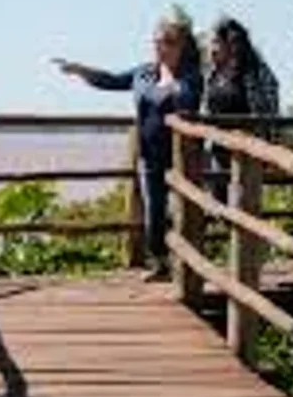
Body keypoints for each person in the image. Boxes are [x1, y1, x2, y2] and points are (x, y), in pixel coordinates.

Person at [53, 15, 203, 281]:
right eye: (157, 42)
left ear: (182, 46)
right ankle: (161, 263)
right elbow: (111, 80)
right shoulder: (143, 73)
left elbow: (187, 99)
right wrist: (80, 70)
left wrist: (169, 82)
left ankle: (190, 267)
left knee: (186, 214)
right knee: (154, 216)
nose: (161, 47)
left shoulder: (191, 76)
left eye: (168, 42)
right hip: (149, 155)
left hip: (182, 157)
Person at [203, 16, 280, 202]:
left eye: (215, 42)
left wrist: (265, 137)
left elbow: (270, 104)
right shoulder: (213, 73)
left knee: (242, 203)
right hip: (218, 149)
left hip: (246, 150)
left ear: (230, 44)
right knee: (219, 202)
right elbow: (207, 108)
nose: (210, 48)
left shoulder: (254, 71)